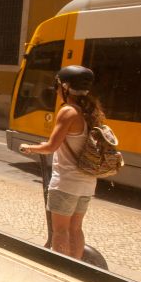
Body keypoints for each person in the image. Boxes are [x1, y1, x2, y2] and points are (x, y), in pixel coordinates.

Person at [19, 65, 104, 261]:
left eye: (57, 86)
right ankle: (76, 268)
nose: (56, 91)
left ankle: (60, 268)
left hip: (66, 182)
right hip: (88, 182)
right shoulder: (91, 111)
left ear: (65, 87)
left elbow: (51, 146)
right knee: (76, 229)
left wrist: (29, 147)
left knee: (60, 231)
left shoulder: (68, 111)